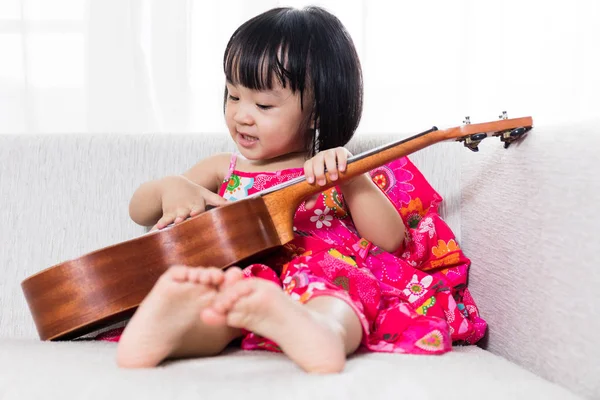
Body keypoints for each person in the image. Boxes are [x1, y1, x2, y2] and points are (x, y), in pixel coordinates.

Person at [100, 6, 487, 373]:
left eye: (264, 105)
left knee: (341, 290)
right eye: (234, 95)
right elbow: (139, 210)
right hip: (249, 279)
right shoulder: (223, 168)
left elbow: (390, 243)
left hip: (324, 275)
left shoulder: (330, 169)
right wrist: (173, 187)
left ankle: (325, 334)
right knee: (223, 300)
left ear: (317, 110)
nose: (241, 114)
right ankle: (165, 338)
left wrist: (352, 178)